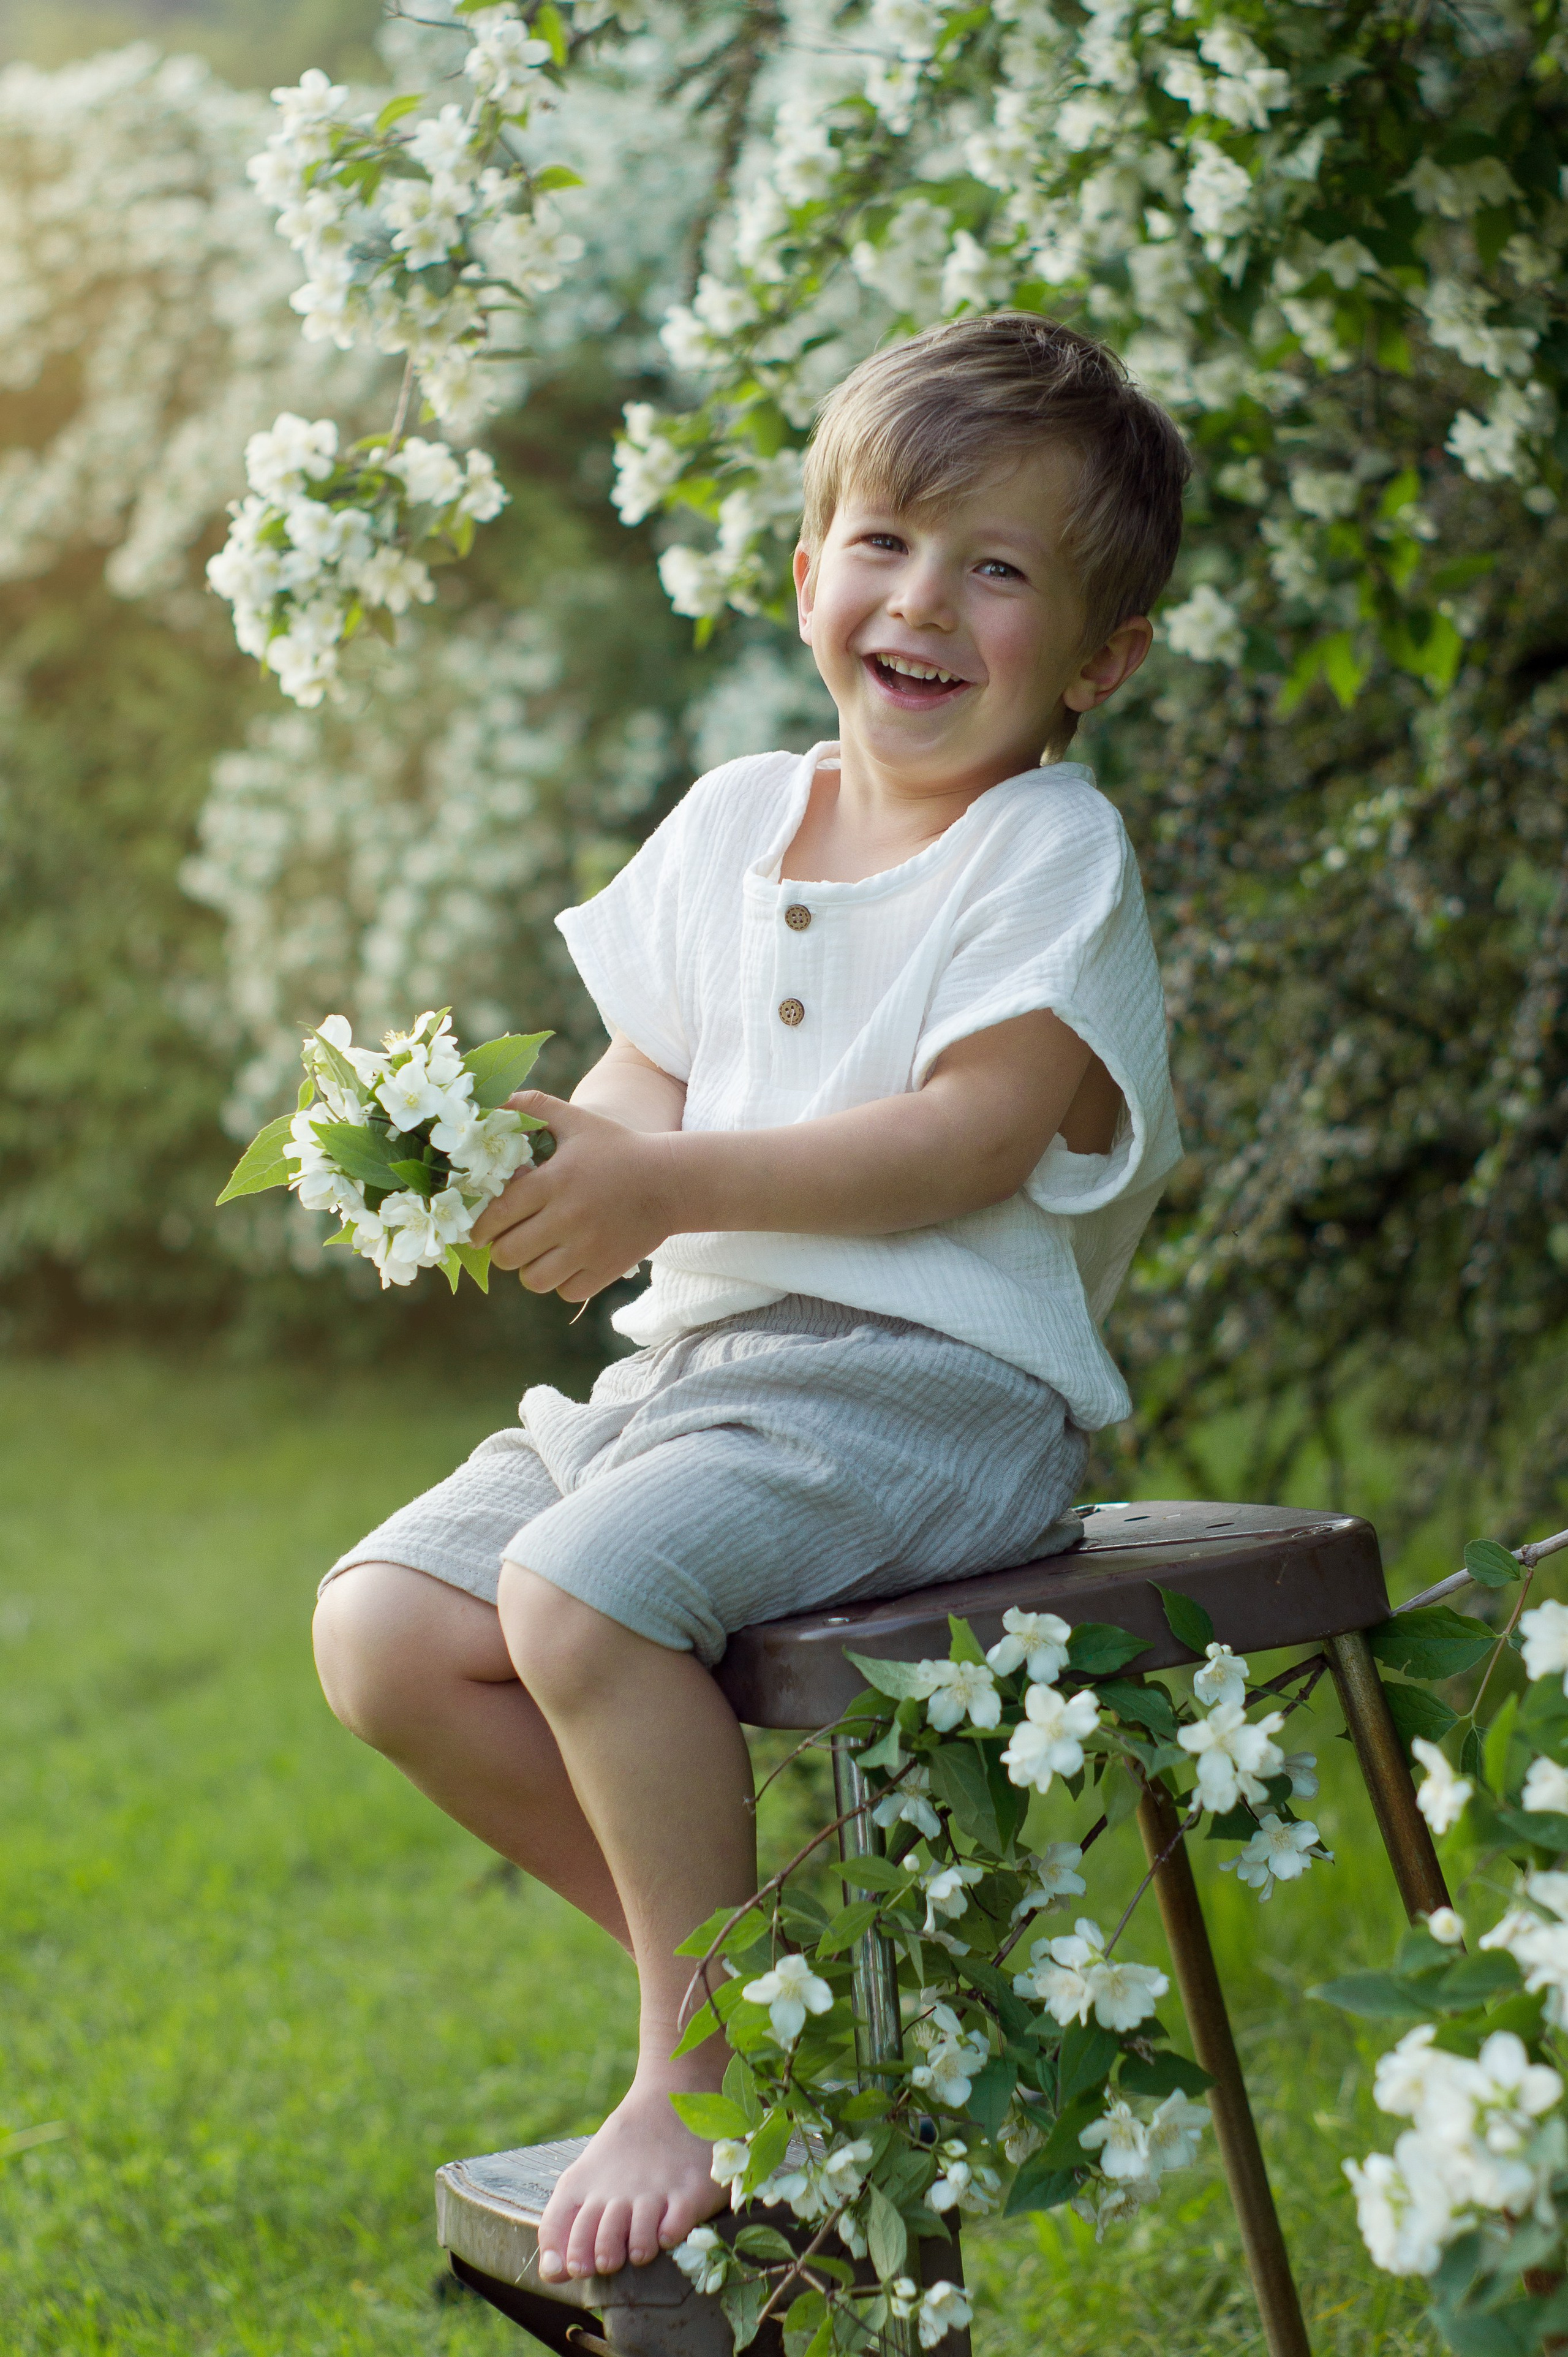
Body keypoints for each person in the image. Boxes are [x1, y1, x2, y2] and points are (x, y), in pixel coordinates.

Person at [311, 311, 1189, 2288]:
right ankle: (790, 1998)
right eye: (884, 542)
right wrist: (547, 1171)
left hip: (933, 1382)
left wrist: (669, 1179)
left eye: (1000, 570)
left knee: (576, 1596)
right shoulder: (729, 823)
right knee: (381, 1632)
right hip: (706, 1373)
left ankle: (697, 2071)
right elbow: (653, 1084)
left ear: (1100, 659)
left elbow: (970, 1138)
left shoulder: (1049, 848)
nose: (925, 602)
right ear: (808, 577)